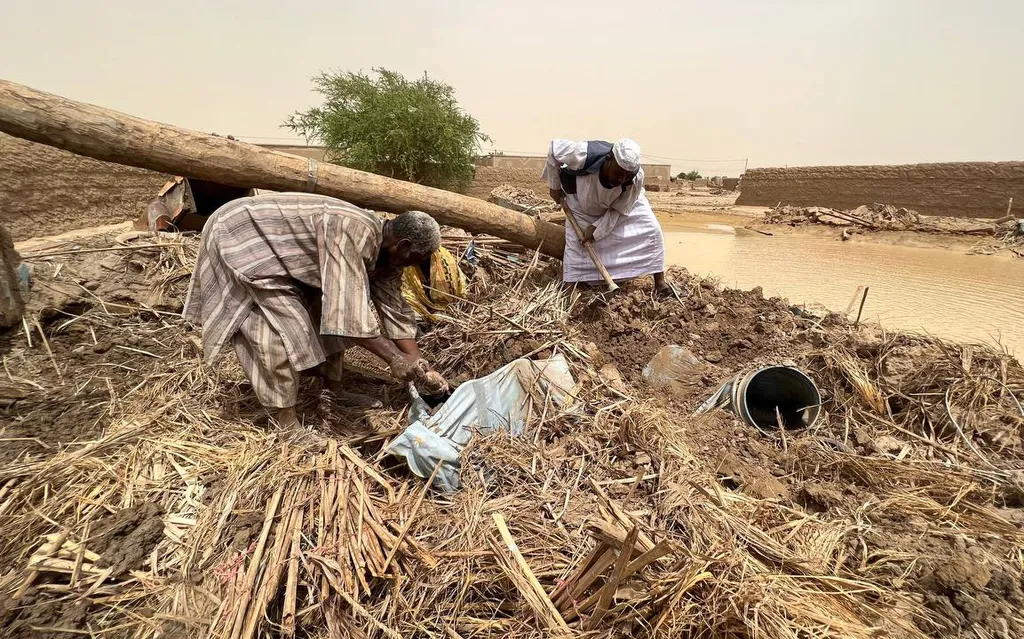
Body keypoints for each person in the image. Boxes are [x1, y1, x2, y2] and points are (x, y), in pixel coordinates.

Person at [183, 192, 448, 427]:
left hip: (282, 253)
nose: (412, 267)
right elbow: (347, 314)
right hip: (243, 235)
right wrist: (393, 358)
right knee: (280, 330)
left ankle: (334, 391)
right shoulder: (353, 233)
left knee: (327, 315)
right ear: (402, 247)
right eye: (415, 260)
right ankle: (286, 424)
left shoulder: (389, 256)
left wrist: (421, 365)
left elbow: (394, 310)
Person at [542, 138, 670, 295]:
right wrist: (554, 186)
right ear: (608, 160)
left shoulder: (635, 178)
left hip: (621, 206)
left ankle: (660, 283)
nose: (622, 179)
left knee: (651, 230)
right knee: (576, 244)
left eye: (627, 175)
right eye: (619, 173)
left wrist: (596, 230)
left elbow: (620, 210)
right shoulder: (582, 153)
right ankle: (569, 289)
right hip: (580, 202)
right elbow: (554, 150)